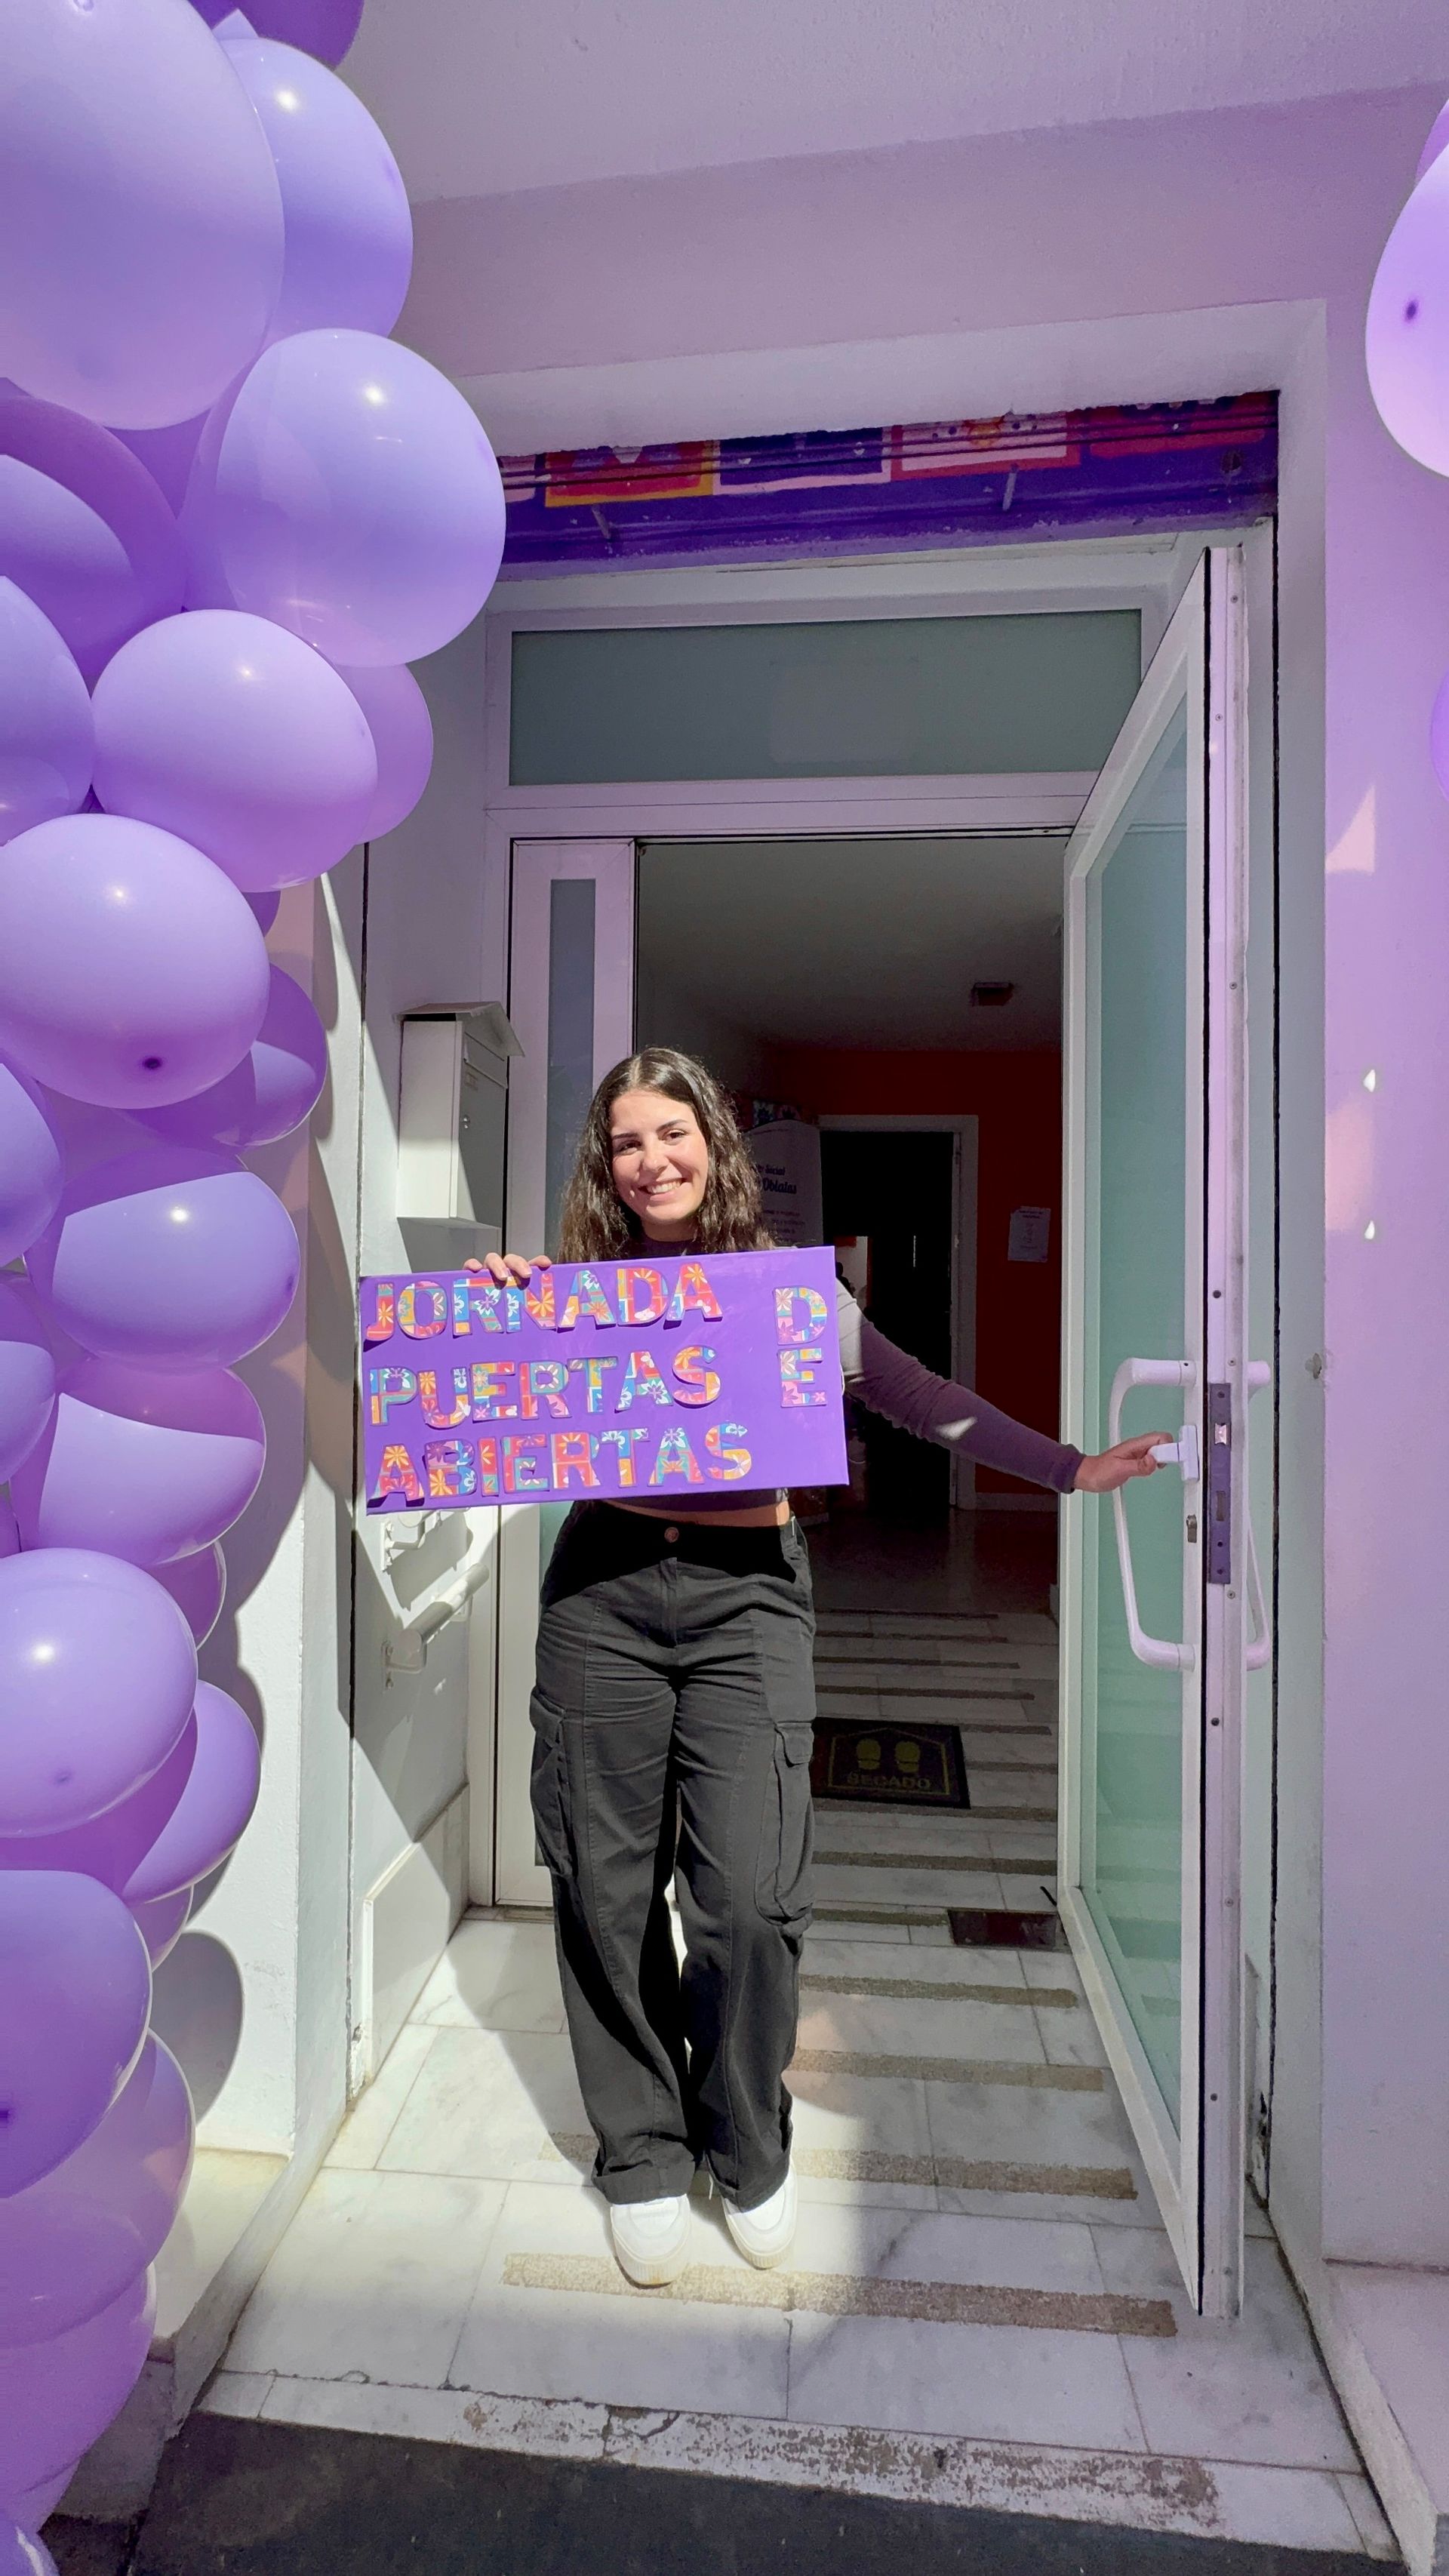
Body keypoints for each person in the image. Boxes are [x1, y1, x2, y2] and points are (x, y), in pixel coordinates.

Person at [472, 1046, 1163, 2288]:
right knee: (603, 1886)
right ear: (605, 1163)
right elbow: (474, 1398)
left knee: (747, 1897)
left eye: (672, 1133)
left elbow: (919, 1396)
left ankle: (748, 2139)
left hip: (745, 1602)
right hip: (602, 1597)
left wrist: (1068, 1468)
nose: (652, 1160)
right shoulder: (575, 1294)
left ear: (714, 1141)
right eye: (627, 1142)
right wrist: (492, 1311)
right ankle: (641, 2149)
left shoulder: (793, 1295)